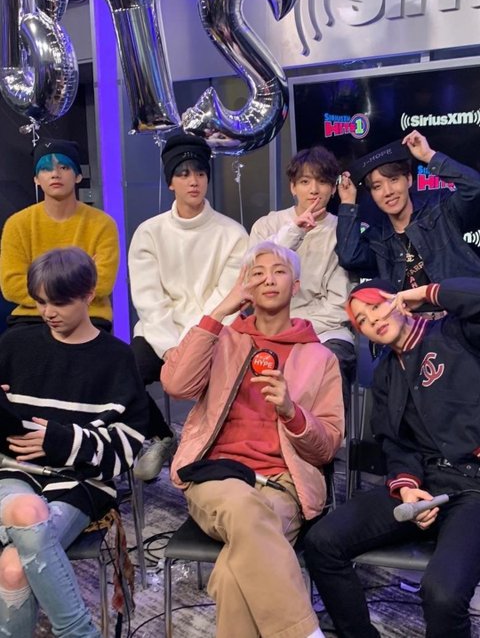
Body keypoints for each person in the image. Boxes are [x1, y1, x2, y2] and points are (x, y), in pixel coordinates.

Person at [162, 241, 344, 638]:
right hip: (217, 477)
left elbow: (327, 446)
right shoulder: (222, 340)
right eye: (257, 273)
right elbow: (176, 384)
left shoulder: (320, 358)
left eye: (279, 272)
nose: (268, 280)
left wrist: (292, 411)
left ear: (296, 285)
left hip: (281, 486)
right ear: (246, 284)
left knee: (234, 574)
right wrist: (219, 311)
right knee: (244, 507)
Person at [304, 276, 480, 638]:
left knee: (442, 595)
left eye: (376, 305)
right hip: (425, 483)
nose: (372, 320)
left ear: (398, 301)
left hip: (473, 488)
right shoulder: (385, 374)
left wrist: (426, 293)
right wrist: (406, 488)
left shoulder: (456, 332)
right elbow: (395, 444)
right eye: (362, 320)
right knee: (322, 542)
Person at [0, 247, 147, 637]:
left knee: (13, 568)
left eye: (60, 303)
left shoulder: (116, 358)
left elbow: (127, 449)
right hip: (13, 474)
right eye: (40, 302)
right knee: (27, 511)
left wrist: (62, 442)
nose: (48, 313)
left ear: (89, 294)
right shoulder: (14, 344)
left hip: (81, 485)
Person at [129, 133, 249, 480]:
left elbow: (226, 299)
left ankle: (212, 450)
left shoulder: (233, 234)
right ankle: (161, 436)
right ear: (170, 182)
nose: (193, 181)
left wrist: (195, 342)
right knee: (124, 375)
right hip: (160, 334)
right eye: (183, 174)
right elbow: (149, 300)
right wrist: (170, 348)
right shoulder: (149, 233)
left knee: (236, 380)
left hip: (214, 332)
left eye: (200, 173)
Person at [250, 145, 356, 412]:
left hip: (326, 331)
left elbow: (339, 304)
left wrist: (299, 331)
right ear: (292, 187)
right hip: (271, 327)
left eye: (322, 182)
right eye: (305, 181)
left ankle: (327, 436)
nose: (314, 190)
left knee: (334, 362)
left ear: (333, 188)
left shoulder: (341, 231)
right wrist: (293, 233)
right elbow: (255, 281)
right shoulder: (267, 226)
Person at [336, 130, 480, 294]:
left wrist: (429, 156)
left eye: (394, 180)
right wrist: (347, 202)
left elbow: (475, 189)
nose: (388, 192)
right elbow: (349, 257)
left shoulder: (440, 211)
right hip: (407, 311)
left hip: (457, 306)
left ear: (409, 179)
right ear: (372, 194)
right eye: (377, 186)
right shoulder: (377, 239)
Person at [0, 138, 119, 332]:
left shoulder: (103, 224)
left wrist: (40, 286)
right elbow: (11, 285)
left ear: (78, 176)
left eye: (64, 167)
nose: (55, 174)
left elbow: (103, 283)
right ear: (36, 179)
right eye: (46, 169)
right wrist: (77, 281)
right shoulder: (17, 224)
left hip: (89, 317)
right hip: (32, 318)